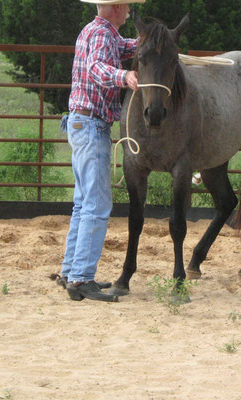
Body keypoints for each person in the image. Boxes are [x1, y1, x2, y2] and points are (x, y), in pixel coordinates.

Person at [58, 0, 144, 302]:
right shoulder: (103, 36)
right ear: (118, 7)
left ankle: (71, 271)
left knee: (84, 202)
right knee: (96, 203)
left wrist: (154, 39)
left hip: (81, 123)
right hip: (91, 125)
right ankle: (81, 279)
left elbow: (126, 47)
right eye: (129, 5)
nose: (131, 10)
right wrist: (125, 77)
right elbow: (96, 69)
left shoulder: (97, 32)